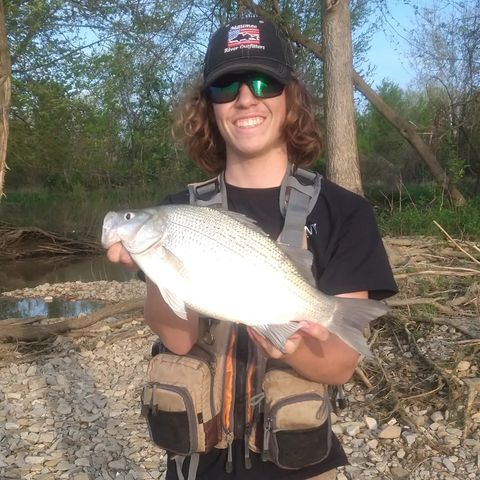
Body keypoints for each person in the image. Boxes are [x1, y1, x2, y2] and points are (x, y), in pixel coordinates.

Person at [107, 16, 398, 480]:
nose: (246, 98)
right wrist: (155, 264)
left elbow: (340, 366)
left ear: (291, 97)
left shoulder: (347, 213)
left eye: (264, 81)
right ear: (208, 106)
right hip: (198, 467)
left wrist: (284, 339)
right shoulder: (176, 211)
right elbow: (180, 339)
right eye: (226, 87)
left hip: (300, 466)